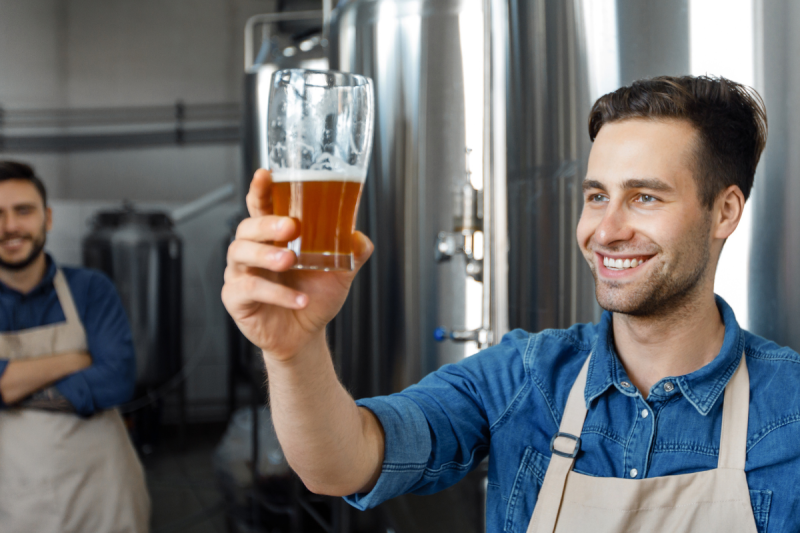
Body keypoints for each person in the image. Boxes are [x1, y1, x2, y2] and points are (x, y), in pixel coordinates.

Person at [223, 75, 798, 532]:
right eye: (597, 196)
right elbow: (343, 463)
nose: (606, 229)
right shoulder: (523, 377)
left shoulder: (789, 406)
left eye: (645, 197)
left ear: (724, 211)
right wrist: (293, 349)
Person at [0, 161, 150, 532]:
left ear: (47, 218)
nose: (10, 227)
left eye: (24, 210)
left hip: (104, 495)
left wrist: (12, 387)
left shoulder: (91, 289)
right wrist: (74, 359)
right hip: (16, 500)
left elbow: (116, 379)